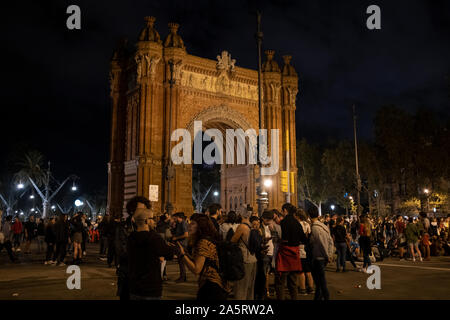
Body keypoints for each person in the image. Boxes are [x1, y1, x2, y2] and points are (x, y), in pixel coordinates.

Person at [127, 208, 176, 300]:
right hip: (151, 287)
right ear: (146, 221)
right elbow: (169, 254)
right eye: (152, 219)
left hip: (134, 286)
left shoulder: (131, 237)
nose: (154, 221)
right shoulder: (153, 237)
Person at [177, 214, 229, 300]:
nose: (189, 225)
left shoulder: (203, 242)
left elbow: (196, 269)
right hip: (218, 284)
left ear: (201, 226)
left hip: (211, 286)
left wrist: (182, 254)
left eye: (193, 223)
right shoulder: (209, 239)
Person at [116, 196, 151, 300]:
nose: (143, 212)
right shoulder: (123, 227)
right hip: (128, 272)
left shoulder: (149, 227)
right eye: (141, 209)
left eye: (145, 209)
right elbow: (120, 249)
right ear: (132, 211)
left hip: (146, 274)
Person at [275, 203, 306, 300]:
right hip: (294, 254)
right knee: (293, 283)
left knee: (280, 283)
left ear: (285, 210)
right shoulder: (297, 223)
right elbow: (304, 239)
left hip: (284, 254)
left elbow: (278, 237)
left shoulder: (282, 223)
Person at [230, 206, 257, 300]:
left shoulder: (242, 227)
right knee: (250, 288)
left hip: (244, 260)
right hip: (253, 259)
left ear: (241, 214)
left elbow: (233, 241)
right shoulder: (251, 225)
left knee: (241, 288)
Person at [308, 206, 334, 300]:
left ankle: (326, 297)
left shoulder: (315, 228)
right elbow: (330, 241)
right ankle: (318, 298)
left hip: (318, 257)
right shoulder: (324, 226)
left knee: (320, 281)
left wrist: (328, 256)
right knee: (320, 281)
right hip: (323, 257)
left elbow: (321, 243)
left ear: (309, 216)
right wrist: (330, 254)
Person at [295, 209, 314, 295]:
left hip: (300, 248)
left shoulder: (298, 225)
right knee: (308, 270)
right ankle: (311, 288)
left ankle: (302, 289)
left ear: (297, 216)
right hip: (307, 249)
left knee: (301, 271)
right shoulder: (307, 224)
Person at [172, 212, 189, 283]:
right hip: (179, 244)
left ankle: (183, 277)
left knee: (181, 262)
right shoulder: (178, 224)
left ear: (178, 217)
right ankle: (182, 277)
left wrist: (176, 238)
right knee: (180, 262)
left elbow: (186, 234)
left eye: (174, 217)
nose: (173, 219)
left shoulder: (183, 223)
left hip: (183, 245)